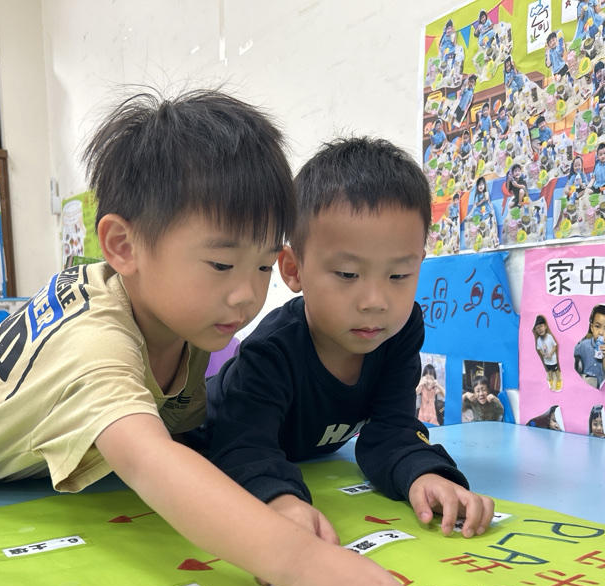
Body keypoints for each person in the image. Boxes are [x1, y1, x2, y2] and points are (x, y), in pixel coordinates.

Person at [0, 91, 465, 586]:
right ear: (123, 245)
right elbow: (149, 458)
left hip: (48, 497)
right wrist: (307, 567)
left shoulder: (183, 312)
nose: (247, 294)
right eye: (221, 263)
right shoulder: (93, 342)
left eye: (261, 265)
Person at [191, 136, 494, 548]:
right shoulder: (272, 351)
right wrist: (279, 501)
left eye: (399, 275)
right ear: (294, 269)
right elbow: (243, 448)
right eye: (348, 274)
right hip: (201, 439)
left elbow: (392, 430)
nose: (375, 302)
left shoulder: (399, 331)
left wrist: (424, 473)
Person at [573, 304, 605, 388]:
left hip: (600, 387)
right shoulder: (583, 345)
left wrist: (604, 358)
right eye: (597, 326)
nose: (601, 332)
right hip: (584, 384)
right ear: (591, 327)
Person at [533, 314, 562, 391]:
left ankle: (558, 380)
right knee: (549, 371)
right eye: (537, 327)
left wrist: (550, 354)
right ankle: (551, 381)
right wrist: (543, 354)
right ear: (535, 330)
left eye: (541, 326)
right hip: (546, 360)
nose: (540, 329)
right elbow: (539, 349)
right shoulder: (539, 340)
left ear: (545, 326)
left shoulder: (549, 337)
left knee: (556, 370)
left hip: (553, 359)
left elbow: (555, 346)